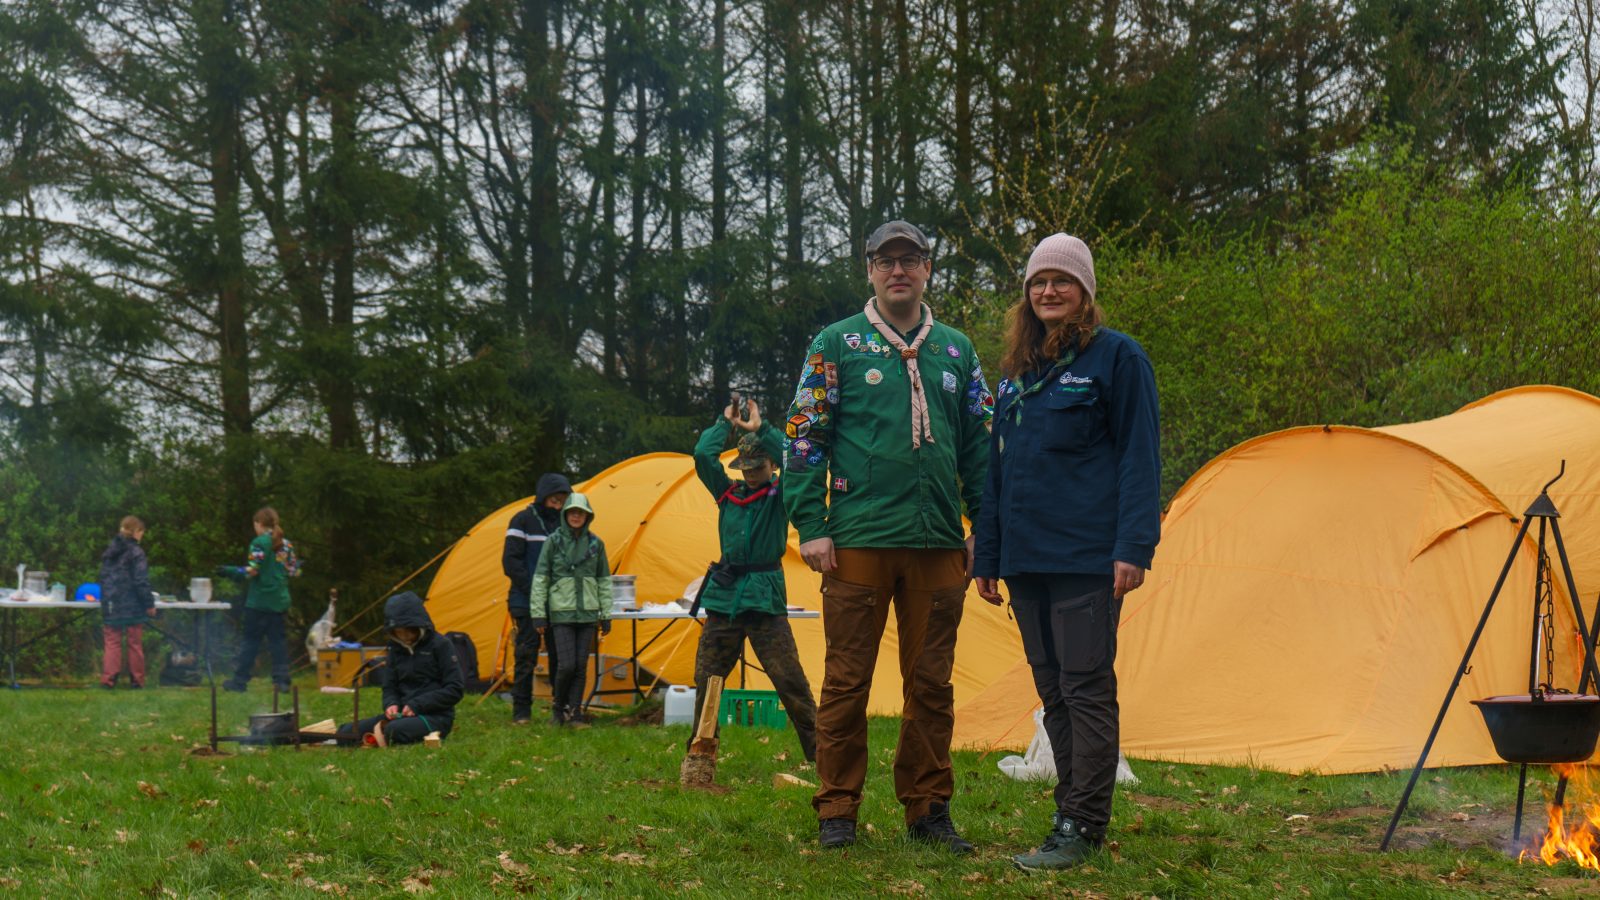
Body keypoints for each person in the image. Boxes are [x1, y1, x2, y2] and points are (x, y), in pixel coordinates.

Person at [781, 220, 992, 852]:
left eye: (911, 259)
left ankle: (928, 807)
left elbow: (981, 446)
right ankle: (838, 809)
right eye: (885, 260)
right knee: (847, 680)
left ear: (928, 268)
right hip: (858, 542)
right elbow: (802, 438)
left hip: (937, 543)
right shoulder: (836, 343)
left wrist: (985, 525)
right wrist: (811, 527)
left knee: (932, 682)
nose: (898, 269)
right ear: (869, 269)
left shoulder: (956, 349)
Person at [972, 233, 1161, 871]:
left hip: (1087, 557)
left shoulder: (1118, 360)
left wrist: (1134, 545)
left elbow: (1140, 458)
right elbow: (998, 473)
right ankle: (1066, 811)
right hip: (1026, 561)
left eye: (1062, 281)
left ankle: (1084, 823)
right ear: (1027, 296)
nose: (1048, 291)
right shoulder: (1017, 376)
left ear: (1084, 291)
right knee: (1053, 692)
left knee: (1085, 690)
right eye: (1038, 283)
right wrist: (988, 556)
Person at [688, 396, 818, 762]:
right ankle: (699, 758)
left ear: (771, 465)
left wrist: (761, 427)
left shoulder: (781, 494)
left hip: (764, 599)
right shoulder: (728, 493)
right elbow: (702, 456)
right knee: (708, 682)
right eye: (744, 468)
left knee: (790, 682)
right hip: (723, 600)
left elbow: (797, 459)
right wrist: (725, 422)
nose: (748, 474)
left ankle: (823, 759)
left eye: (756, 468)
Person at [529, 493, 612, 727]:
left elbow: (604, 581)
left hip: (587, 613)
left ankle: (576, 714)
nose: (576, 516)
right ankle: (558, 707)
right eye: (572, 512)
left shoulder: (596, 544)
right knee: (566, 665)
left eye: (581, 512)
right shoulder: (553, 542)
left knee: (580, 666)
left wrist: (605, 614)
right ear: (566, 515)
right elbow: (540, 579)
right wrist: (538, 614)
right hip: (561, 613)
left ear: (587, 516)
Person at [341, 591, 464, 746]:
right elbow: (389, 686)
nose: (403, 636)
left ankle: (383, 736)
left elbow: (455, 689)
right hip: (402, 716)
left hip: (435, 717)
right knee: (346, 732)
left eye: (407, 630)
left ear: (418, 625)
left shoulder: (441, 645)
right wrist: (391, 704)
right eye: (398, 632)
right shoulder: (394, 647)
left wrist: (417, 705)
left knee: (393, 730)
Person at [503, 473, 573, 724]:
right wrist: (536, 590)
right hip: (525, 600)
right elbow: (511, 562)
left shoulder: (566, 524)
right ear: (543, 497)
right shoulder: (522, 520)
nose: (558, 505)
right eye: (554, 500)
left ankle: (559, 708)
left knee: (560, 657)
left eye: (563, 500)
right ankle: (521, 711)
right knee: (526, 654)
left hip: (558, 604)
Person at [221, 507, 302, 693]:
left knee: (250, 642)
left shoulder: (258, 543)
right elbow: (294, 571)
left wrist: (231, 571)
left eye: (254, 525)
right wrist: (296, 566)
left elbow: (253, 570)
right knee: (278, 643)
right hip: (279, 601)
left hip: (258, 602)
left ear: (258, 524)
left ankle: (240, 681)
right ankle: (282, 682)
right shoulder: (286, 545)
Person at [98, 515, 157, 689]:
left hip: (111, 602)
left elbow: (103, 577)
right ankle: (137, 681)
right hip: (132, 603)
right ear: (137, 532)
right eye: (142, 532)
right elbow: (140, 581)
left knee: (112, 642)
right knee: (134, 643)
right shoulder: (137, 552)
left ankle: (109, 680)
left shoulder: (110, 550)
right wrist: (149, 603)